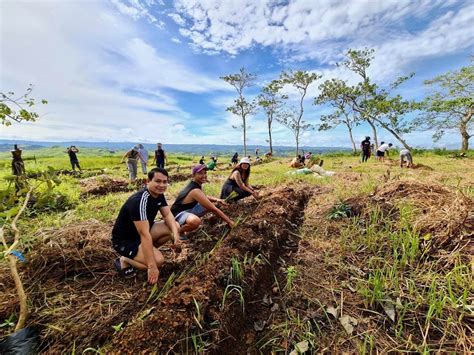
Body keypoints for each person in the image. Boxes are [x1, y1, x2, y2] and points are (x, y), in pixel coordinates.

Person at [111, 168, 181, 284]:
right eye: (158, 181)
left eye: (165, 182)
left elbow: (168, 214)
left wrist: (176, 236)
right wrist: (151, 266)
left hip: (142, 234)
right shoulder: (139, 201)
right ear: (147, 181)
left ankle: (146, 254)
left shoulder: (158, 195)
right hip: (125, 240)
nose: (161, 185)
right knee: (158, 262)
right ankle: (124, 259)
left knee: (175, 226)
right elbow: (144, 234)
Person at [171, 164, 234, 237]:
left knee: (214, 204)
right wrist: (229, 221)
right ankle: (178, 231)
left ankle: (183, 225)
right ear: (193, 175)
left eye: (205, 173)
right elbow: (213, 209)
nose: (204, 175)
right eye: (200, 173)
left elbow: (203, 196)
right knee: (195, 221)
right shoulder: (195, 190)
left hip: (188, 208)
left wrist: (218, 200)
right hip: (177, 214)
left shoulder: (195, 184)